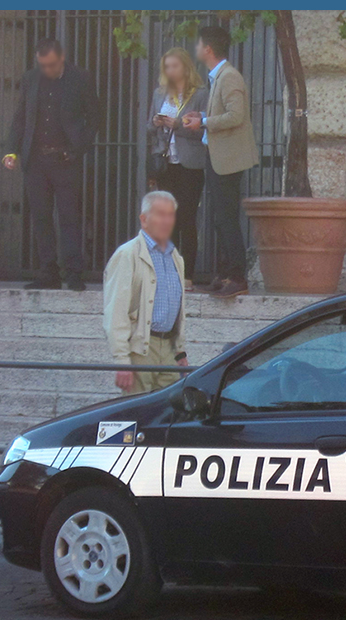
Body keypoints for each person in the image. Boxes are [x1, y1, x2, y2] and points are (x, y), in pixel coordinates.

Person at [4, 39, 100, 291]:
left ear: (62, 58)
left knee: (69, 216)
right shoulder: (30, 79)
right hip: (36, 159)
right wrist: (12, 150)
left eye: (52, 65)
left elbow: (95, 117)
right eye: (43, 65)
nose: (47, 69)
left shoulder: (80, 78)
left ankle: (74, 272)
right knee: (41, 217)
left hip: (65, 159)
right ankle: (48, 271)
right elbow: (21, 116)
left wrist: (79, 148)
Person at [182, 26, 258, 298]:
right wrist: (202, 116)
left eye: (198, 44)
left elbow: (236, 116)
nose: (196, 48)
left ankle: (237, 276)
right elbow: (224, 113)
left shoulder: (228, 77)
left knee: (226, 218)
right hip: (217, 157)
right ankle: (226, 274)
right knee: (220, 219)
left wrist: (203, 122)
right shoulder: (219, 76)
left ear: (208, 49)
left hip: (227, 159)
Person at [103, 191, 188, 395]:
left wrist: (180, 352)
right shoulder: (127, 254)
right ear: (144, 219)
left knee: (168, 417)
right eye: (160, 214)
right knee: (134, 417)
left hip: (168, 350)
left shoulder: (176, 257)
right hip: (140, 350)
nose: (166, 220)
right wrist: (122, 361)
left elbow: (177, 310)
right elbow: (116, 310)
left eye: (170, 214)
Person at [147, 47, 208, 289]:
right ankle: (165, 273)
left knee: (186, 218)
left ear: (185, 67)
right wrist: (155, 123)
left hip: (190, 164)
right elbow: (148, 127)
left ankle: (187, 274)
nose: (171, 71)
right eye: (167, 67)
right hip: (166, 163)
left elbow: (204, 129)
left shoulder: (200, 94)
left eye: (175, 66)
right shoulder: (159, 93)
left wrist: (178, 126)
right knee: (166, 219)